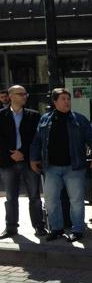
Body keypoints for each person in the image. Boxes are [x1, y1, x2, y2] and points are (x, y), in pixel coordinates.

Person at [30, 88, 92, 242]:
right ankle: (56, 229)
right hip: (51, 168)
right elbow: (37, 141)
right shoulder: (44, 120)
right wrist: (33, 158)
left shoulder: (79, 119)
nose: (67, 102)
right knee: (51, 200)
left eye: (68, 99)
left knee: (76, 200)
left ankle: (77, 230)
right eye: (63, 99)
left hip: (74, 167)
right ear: (55, 102)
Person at [0, 85, 46, 238]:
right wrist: (11, 154)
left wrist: (23, 152)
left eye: (25, 94)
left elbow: (36, 138)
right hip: (8, 161)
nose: (25, 96)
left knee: (34, 196)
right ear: (11, 96)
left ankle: (39, 226)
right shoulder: (1, 115)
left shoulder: (34, 115)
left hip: (28, 161)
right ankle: (11, 228)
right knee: (11, 197)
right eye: (21, 94)